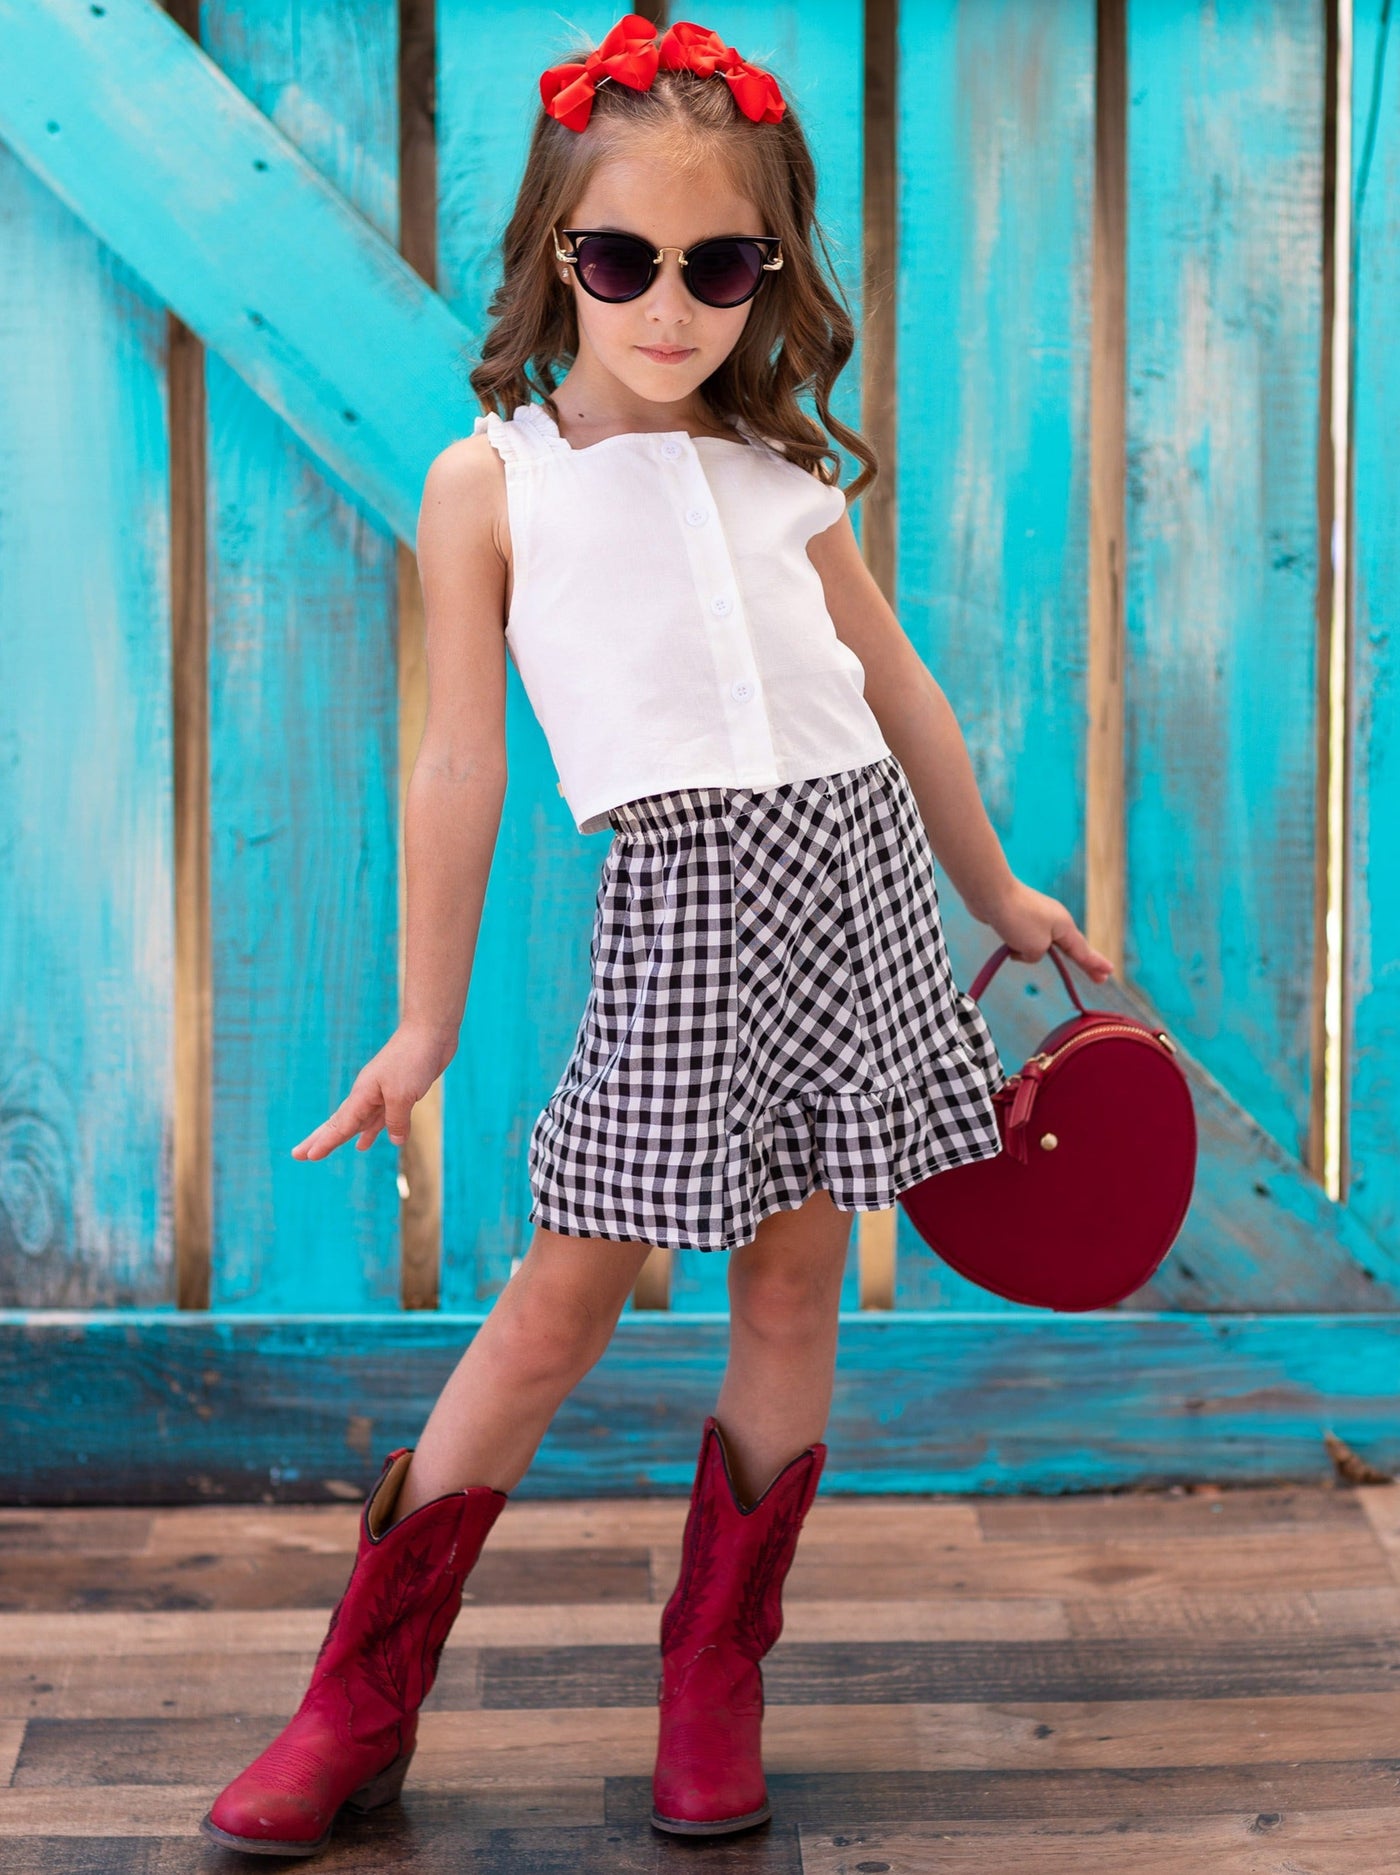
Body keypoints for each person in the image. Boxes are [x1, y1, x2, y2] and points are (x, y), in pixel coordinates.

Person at [200, 12, 1114, 1859]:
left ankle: (717, 1671)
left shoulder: (789, 484)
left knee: (790, 1290)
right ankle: (357, 1696)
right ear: (561, 258)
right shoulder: (498, 485)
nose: (670, 303)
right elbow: (461, 755)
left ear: (765, 279)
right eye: (624, 261)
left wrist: (997, 887)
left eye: (719, 266)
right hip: (683, 923)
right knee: (564, 1299)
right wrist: (427, 1021)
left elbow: (899, 689)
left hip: (851, 894)